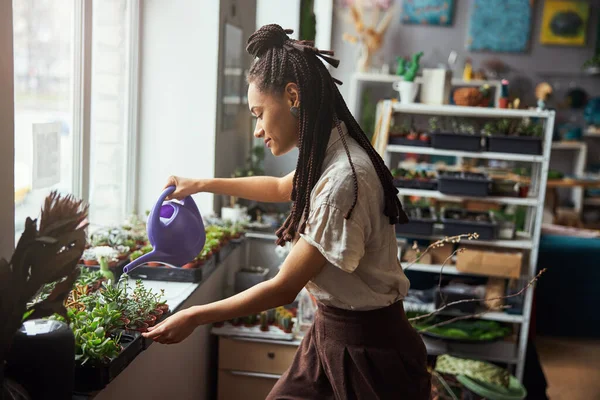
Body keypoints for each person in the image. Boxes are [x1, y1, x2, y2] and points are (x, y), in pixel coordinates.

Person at [143, 24, 431, 399]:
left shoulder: (344, 179)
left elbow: (283, 288)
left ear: (293, 96)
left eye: (259, 113)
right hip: (331, 335)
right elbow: (281, 187)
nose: (258, 129)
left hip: (369, 350)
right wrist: (201, 184)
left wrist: (194, 316)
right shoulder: (330, 151)